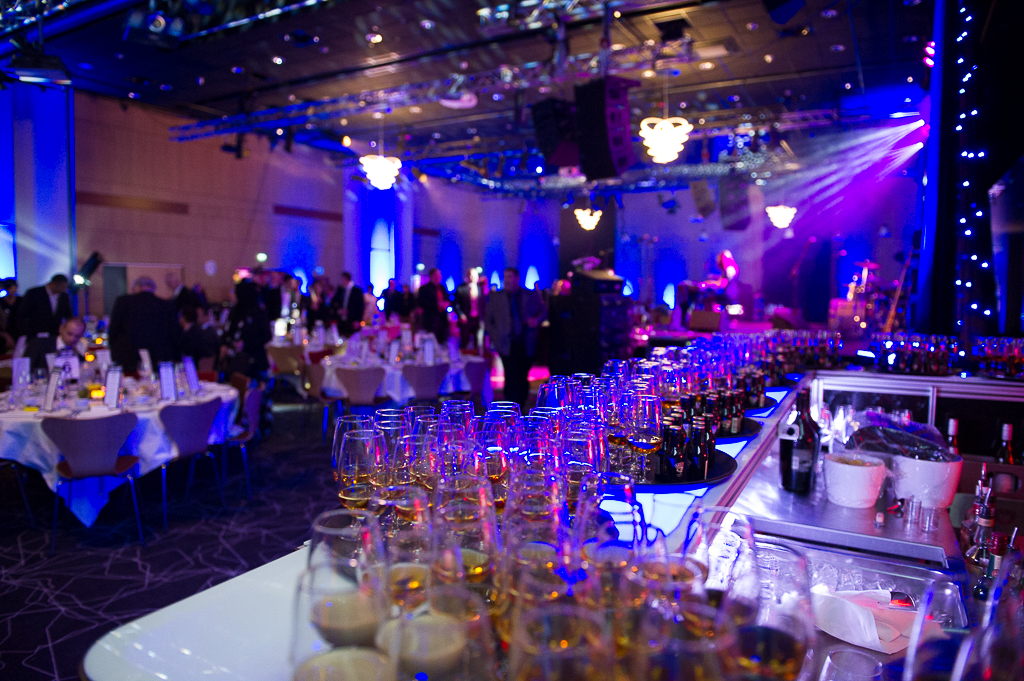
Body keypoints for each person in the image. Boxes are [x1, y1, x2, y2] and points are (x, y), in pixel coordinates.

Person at [484, 267, 546, 408]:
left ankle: (521, 405)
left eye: (510, 277)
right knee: (510, 375)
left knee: (522, 375)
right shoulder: (496, 297)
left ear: (517, 279)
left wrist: (536, 320)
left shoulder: (530, 295)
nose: (507, 280)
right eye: (505, 277)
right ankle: (510, 407)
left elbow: (543, 311)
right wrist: (496, 336)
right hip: (506, 343)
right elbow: (488, 319)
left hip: (526, 341)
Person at [108, 276, 181, 374]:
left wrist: (114, 355)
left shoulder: (123, 302)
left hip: (128, 358)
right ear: (153, 288)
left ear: (137, 287)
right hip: (159, 358)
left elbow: (113, 331)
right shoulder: (167, 305)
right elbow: (174, 334)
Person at [220, 280, 272, 379]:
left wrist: (246, 344)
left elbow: (266, 336)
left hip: (254, 362)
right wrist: (225, 345)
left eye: (235, 293)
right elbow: (228, 332)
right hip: (234, 361)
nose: (232, 296)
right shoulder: (234, 312)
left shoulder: (258, 313)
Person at [17, 274, 72, 339]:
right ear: (55, 284)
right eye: (63, 287)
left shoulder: (63, 296)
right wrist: (27, 332)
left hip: (55, 335)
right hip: (35, 335)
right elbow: (22, 314)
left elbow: (68, 314)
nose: (64, 289)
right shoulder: (34, 293)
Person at [416, 268, 451, 343]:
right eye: (438, 275)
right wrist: (437, 304)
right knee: (431, 339)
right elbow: (422, 302)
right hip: (431, 318)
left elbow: (447, 299)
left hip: (442, 318)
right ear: (432, 276)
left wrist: (446, 303)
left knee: (442, 339)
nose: (440, 277)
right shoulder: (424, 289)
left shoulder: (442, 288)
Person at [454, 268, 485, 351]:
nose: (472, 277)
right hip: (466, 319)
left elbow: (484, 304)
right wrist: (461, 315)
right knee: (464, 341)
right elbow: (455, 305)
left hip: (478, 319)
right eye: (471, 275)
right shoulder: (461, 288)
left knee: (478, 342)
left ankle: (478, 356)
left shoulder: (481, 288)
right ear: (467, 276)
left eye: (474, 276)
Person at [331, 271, 364, 336]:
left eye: (342, 279)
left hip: (352, 321)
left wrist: (357, 320)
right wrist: (339, 311)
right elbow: (334, 303)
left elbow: (360, 307)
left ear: (345, 279)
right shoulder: (340, 290)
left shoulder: (357, 291)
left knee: (352, 339)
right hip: (341, 322)